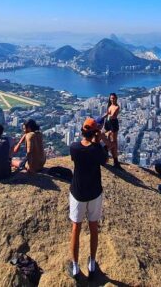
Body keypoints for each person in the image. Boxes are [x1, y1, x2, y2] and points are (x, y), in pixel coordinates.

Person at [68, 118, 111, 279]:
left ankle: (75, 267)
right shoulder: (97, 150)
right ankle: (92, 263)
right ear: (95, 132)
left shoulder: (74, 148)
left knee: (75, 229)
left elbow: (76, 159)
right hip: (94, 192)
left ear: (81, 131)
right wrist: (99, 141)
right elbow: (105, 160)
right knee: (93, 227)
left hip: (78, 193)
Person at [103, 92, 121, 168]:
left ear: (116, 98)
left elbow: (113, 115)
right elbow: (107, 114)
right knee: (109, 140)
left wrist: (108, 115)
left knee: (114, 142)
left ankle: (107, 149)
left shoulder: (117, 107)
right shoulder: (110, 106)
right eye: (111, 98)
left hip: (113, 124)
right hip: (107, 123)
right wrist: (100, 118)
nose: (112, 99)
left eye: (113, 98)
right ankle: (110, 158)